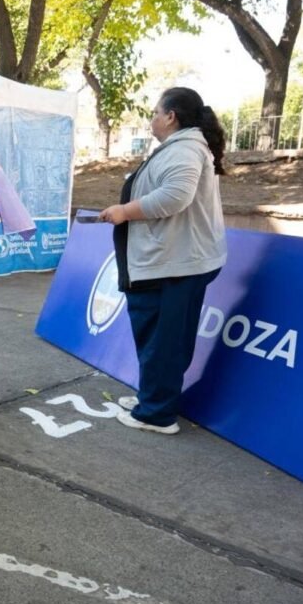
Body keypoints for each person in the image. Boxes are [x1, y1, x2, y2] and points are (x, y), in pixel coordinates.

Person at [98, 87, 227, 436]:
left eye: (156, 113)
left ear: (171, 117)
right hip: (172, 261)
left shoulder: (185, 149)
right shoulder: (182, 147)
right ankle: (154, 397)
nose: (152, 119)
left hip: (176, 264)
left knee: (164, 342)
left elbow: (175, 196)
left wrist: (125, 211)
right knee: (159, 337)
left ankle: (157, 414)